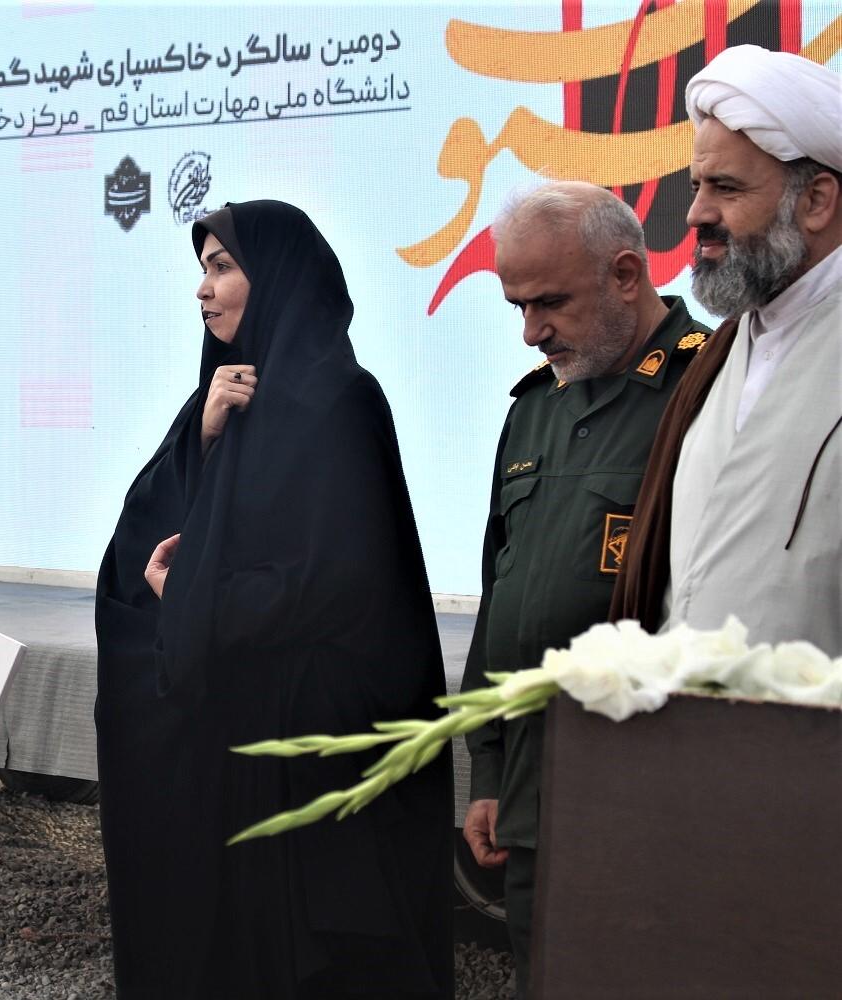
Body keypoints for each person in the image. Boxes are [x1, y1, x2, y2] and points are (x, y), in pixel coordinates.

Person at [95, 200, 453, 998]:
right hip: (235, 751)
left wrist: (200, 600)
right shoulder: (218, 404)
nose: (203, 289)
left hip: (315, 759)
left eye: (223, 267)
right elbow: (139, 546)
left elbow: (345, 579)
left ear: (280, 277)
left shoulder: (340, 402)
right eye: (202, 270)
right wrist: (204, 440)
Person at [460, 182, 710, 997]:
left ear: (626, 275)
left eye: (551, 304)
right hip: (535, 799)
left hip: (655, 803)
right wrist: (489, 771)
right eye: (518, 307)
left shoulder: (708, 388)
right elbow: (501, 595)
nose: (531, 332)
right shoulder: (534, 409)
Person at [613, 45, 841, 658]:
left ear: (816, 201)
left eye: (726, 188)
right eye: (696, 186)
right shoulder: (717, 357)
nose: (696, 213)